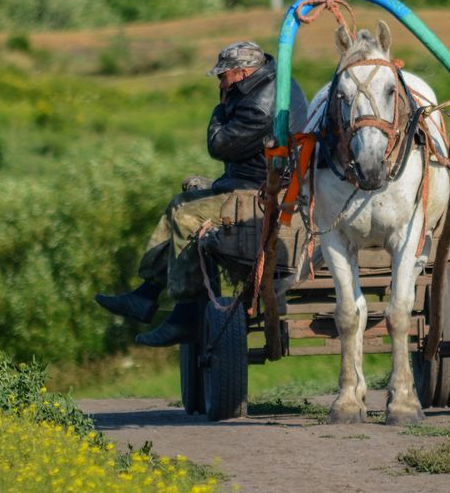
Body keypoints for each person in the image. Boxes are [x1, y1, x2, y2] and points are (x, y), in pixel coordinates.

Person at [95, 41, 307, 347]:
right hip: (258, 183)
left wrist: (220, 109)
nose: (220, 83)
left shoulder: (259, 105)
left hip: (262, 194)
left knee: (186, 214)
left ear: (241, 73)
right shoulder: (273, 84)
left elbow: (218, 145)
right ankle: (146, 294)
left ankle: (185, 315)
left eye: (223, 77)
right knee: (182, 200)